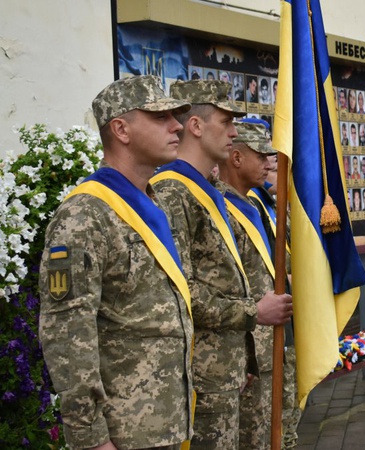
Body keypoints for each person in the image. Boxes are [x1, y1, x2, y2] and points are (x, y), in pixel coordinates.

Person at [39, 75, 194, 449]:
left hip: (168, 422)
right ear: (121, 129)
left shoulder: (153, 203)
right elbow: (67, 333)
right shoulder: (85, 216)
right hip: (125, 435)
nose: (176, 126)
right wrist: (90, 437)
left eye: (175, 116)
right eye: (160, 117)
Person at [154, 79, 291, 449]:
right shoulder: (173, 192)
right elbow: (180, 290)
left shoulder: (207, 191)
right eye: (225, 121)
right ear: (196, 127)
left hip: (227, 369)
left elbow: (226, 279)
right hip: (203, 375)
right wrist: (253, 313)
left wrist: (244, 356)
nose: (234, 132)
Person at [217, 122, 294, 449]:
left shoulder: (254, 205)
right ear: (236, 158)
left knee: (280, 431)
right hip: (250, 350)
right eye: (261, 155)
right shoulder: (223, 207)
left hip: (272, 342)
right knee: (255, 438)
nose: (269, 163)